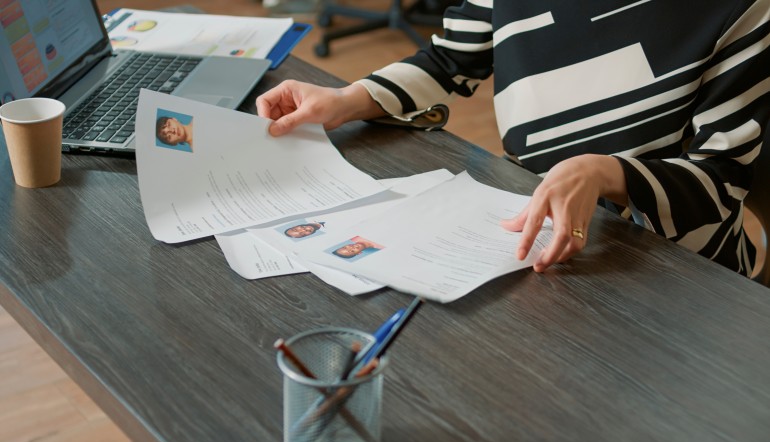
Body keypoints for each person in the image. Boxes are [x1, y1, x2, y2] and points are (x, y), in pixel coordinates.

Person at [257, 1, 770, 276]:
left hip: (674, 266)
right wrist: (349, 99)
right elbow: (448, 59)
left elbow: (718, 182)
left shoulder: (743, 10)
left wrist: (603, 173)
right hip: (528, 229)